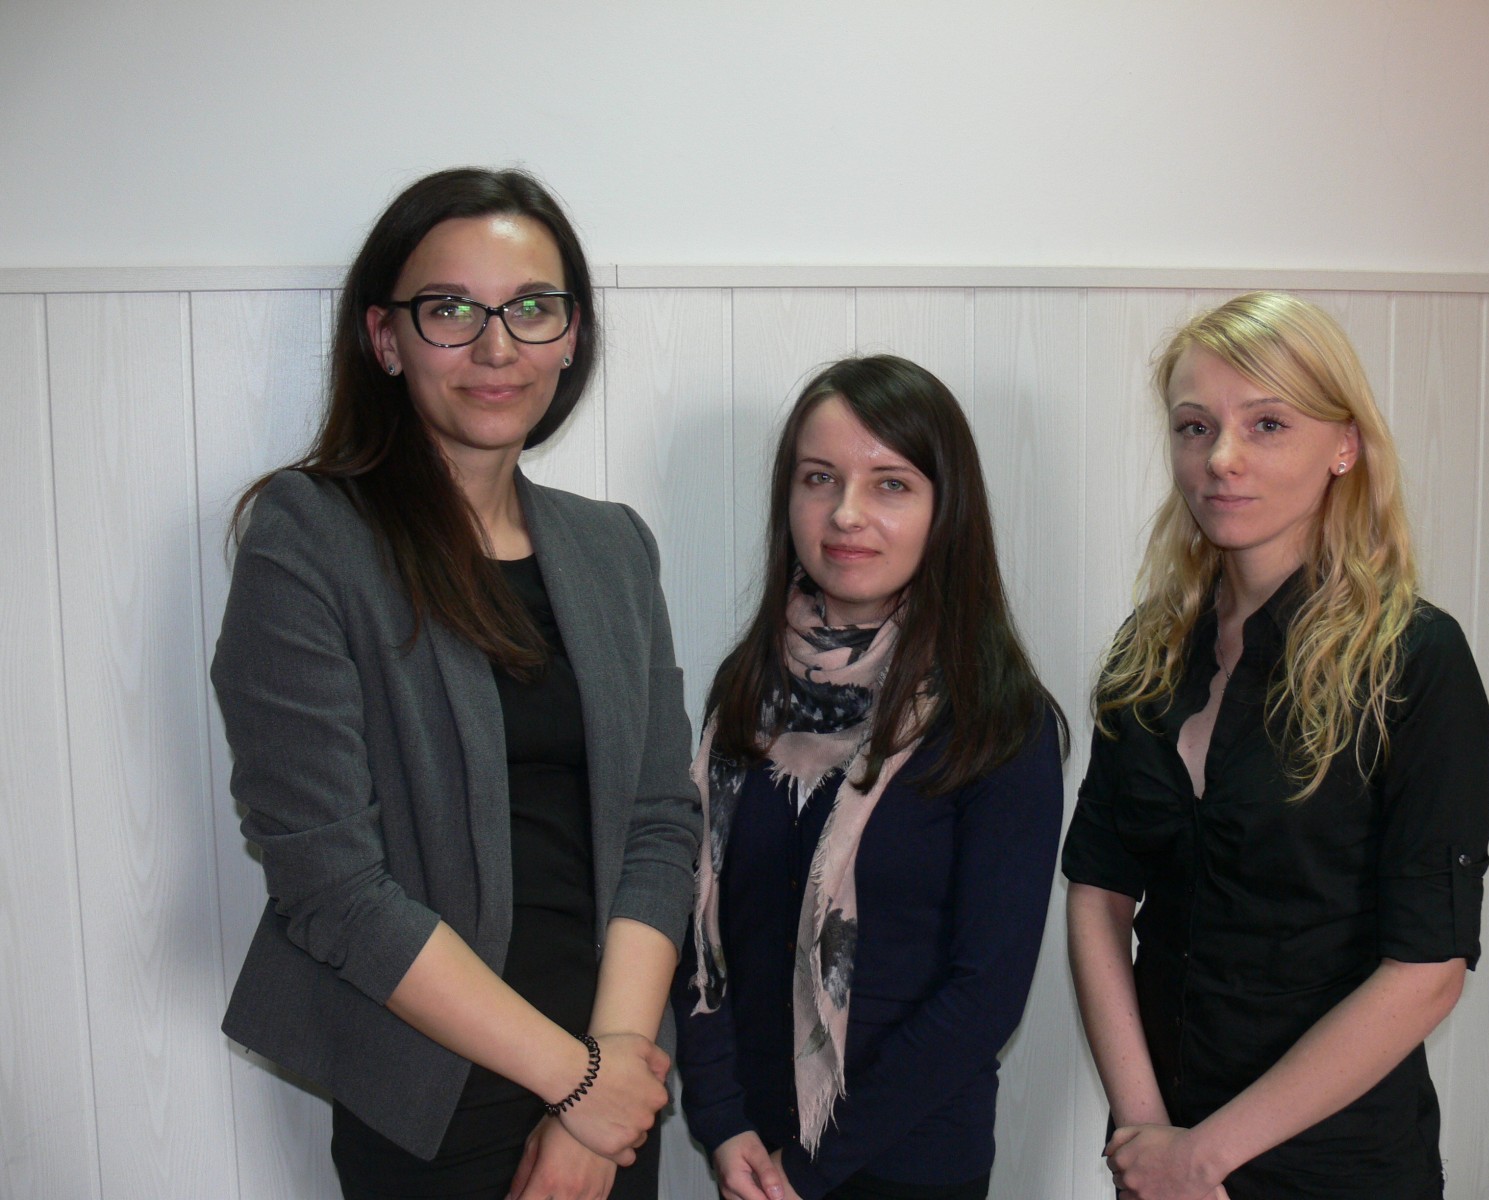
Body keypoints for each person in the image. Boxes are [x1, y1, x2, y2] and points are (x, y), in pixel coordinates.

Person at [211, 167, 700, 1200]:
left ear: (571, 336)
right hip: (433, 1095)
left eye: (531, 308)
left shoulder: (614, 548)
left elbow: (660, 822)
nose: (496, 346)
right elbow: (330, 885)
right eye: (450, 310)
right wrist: (573, 1079)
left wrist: (610, 1069)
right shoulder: (307, 539)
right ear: (385, 339)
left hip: (612, 1072)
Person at [1062, 292, 1489, 1200]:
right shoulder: (1148, 649)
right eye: (1195, 426)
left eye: (1267, 424)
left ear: (1345, 446)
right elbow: (1098, 894)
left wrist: (1204, 1157)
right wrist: (1148, 1134)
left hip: (1336, 1167)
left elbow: (1427, 972)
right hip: (1158, 1153)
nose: (1221, 458)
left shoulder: (1418, 661)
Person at [671, 355, 1068, 1200]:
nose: (846, 513)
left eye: (891, 484)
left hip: (908, 1168)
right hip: (752, 1155)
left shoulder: (999, 719)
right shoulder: (745, 694)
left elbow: (985, 995)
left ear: (945, 510)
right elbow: (696, 926)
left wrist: (809, 1167)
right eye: (820, 478)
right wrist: (722, 1120)